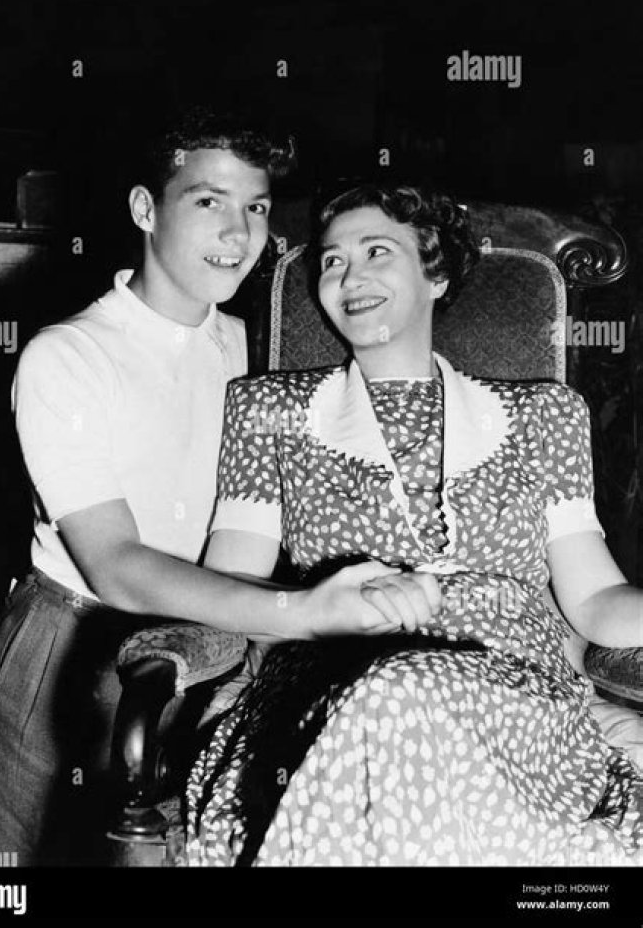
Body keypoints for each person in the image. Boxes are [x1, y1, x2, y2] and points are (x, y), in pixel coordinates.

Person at [0, 112, 409, 866]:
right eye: (208, 201)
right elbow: (116, 565)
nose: (238, 233)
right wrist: (303, 612)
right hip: (73, 640)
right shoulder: (68, 356)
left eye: (256, 207)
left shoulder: (252, 348)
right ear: (145, 208)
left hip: (210, 636)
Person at [185, 183, 643, 866]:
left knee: (403, 698)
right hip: (332, 683)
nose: (351, 276)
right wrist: (325, 610)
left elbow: (598, 599)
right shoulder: (270, 410)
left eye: (377, 252)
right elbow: (229, 591)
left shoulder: (545, 416)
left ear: (437, 274)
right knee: (393, 694)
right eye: (333, 261)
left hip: (510, 696)